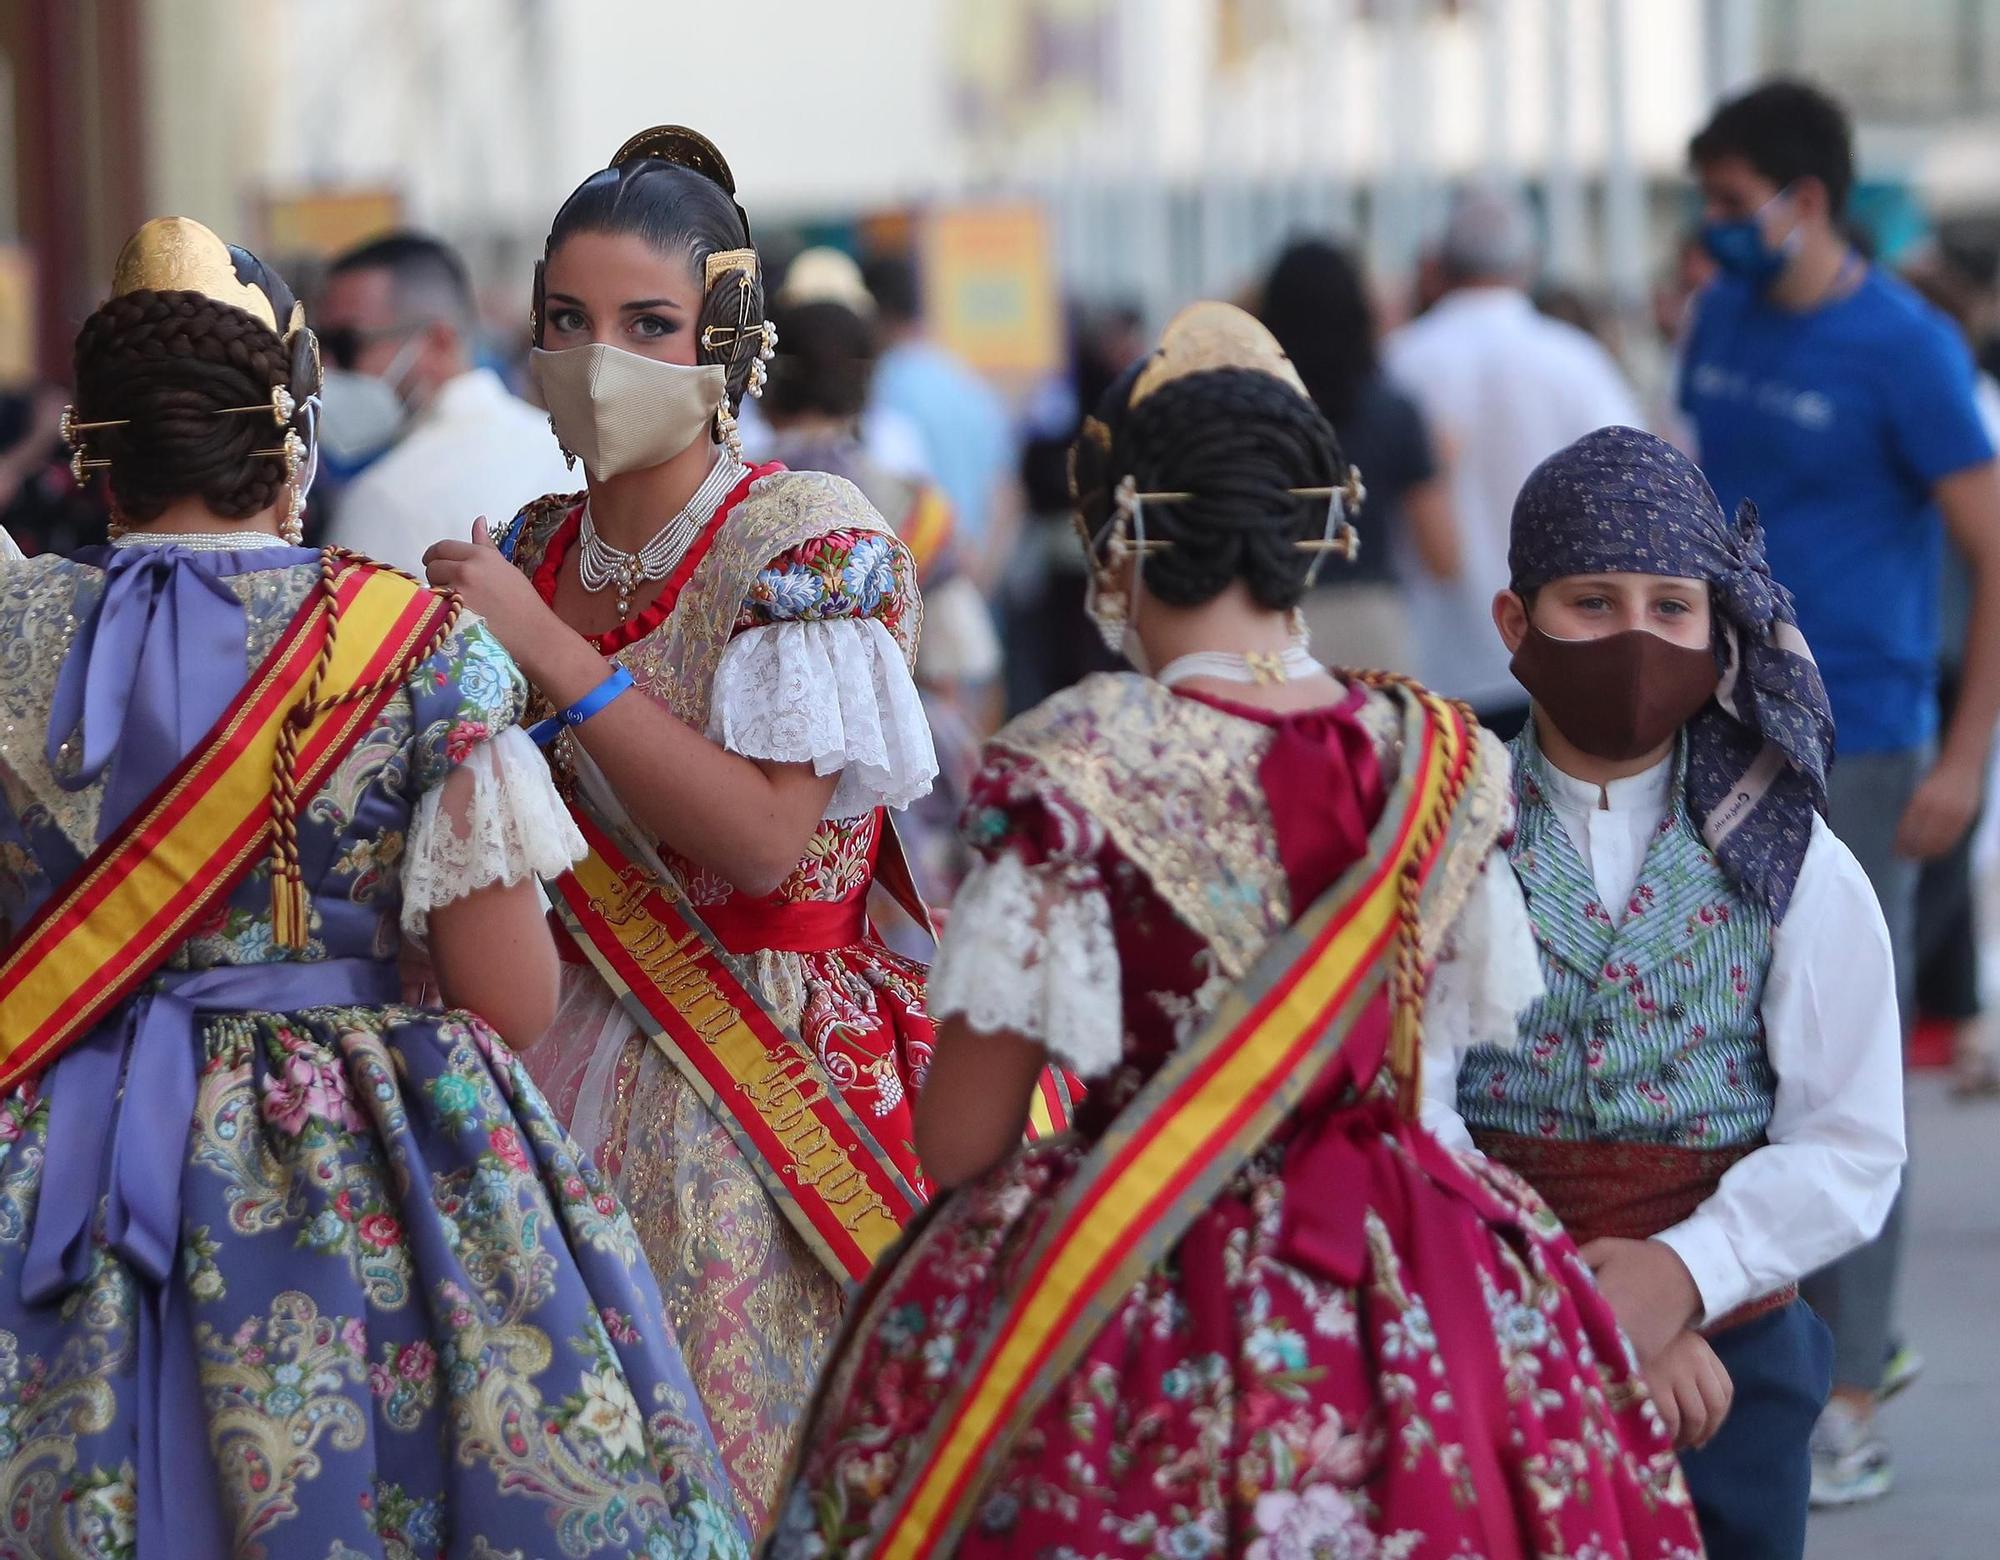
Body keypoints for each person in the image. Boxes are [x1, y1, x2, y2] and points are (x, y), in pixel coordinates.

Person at [766, 304, 1705, 1560]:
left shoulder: (1075, 762)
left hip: (1129, 1274)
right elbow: (1435, 1072)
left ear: (1126, 541)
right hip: (1413, 1274)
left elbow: (961, 1138)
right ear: (1314, 528)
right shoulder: (1436, 755)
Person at [0, 217, 745, 1558]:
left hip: (58, 1139)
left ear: (90, 456)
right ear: (295, 444)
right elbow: (509, 998)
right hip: (357, 1172)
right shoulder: (413, 640)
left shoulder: (10, 636)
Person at [422, 127, 957, 1531]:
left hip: (754, 1072)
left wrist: (540, 646)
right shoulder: (532, 540)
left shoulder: (802, 538)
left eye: (648, 325)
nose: (601, 358)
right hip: (543, 1046)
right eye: (567, 322)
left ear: (726, 343)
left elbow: (768, 843)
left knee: (735, 1470)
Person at [1424, 427, 1905, 1560]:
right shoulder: (1448, 834)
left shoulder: (1794, 858)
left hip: (1731, 1369)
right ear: (1513, 624)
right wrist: (1588, 1307)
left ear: (1714, 630)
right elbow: (1411, 1100)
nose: (1634, 639)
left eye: (1669, 609)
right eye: (1591, 603)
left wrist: (1684, 1279)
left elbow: (1850, 1139)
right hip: (1487, 1331)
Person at [1680, 78, 2000, 1505]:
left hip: (1867, 745)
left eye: (1734, 204)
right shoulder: (1722, 318)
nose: (1715, 231)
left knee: (1844, 1061)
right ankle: (1782, 1345)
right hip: (1724, 724)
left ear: (1808, 200)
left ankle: (1848, 1398)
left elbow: (1995, 553)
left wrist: (1963, 758)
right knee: (1735, 1051)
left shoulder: (1906, 350)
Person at [759, 253, 1003, 917]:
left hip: (760, 797)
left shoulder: (734, 503)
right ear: (864, 385)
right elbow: (962, 662)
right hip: (898, 798)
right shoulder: (911, 507)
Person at [1386, 181, 1642, 733]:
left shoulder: (1399, 363)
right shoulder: (1576, 362)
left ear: (1441, 264)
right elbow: (1638, 500)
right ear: (1529, 262)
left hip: (1427, 662)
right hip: (1561, 656)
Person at [319, 231, 573, 576]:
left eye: (345, 345)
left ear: (439, 341)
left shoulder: (386, 498)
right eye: (316, 346)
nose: (326, 368)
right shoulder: (564, 451)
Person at [1260, 236, 1456, 673]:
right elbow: (1442, 557)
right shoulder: (1394, 410)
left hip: (1267, 624)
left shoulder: (1251, 413)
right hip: (1371, 623)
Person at [863, 253, 1019, 592]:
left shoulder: (881, 387)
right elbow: (1006, 493)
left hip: (918, 585)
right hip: (972, 576)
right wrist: (980, 582)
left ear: (875, 314)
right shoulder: (965, 380)